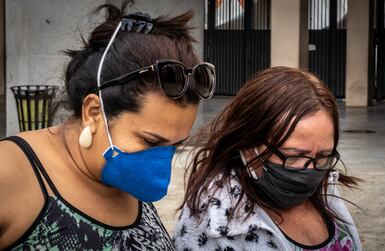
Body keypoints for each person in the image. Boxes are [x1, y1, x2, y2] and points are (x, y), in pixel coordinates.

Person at [0, 1, 215, 250]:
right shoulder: (9, 172)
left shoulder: (125, 180)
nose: (161, 163)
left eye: (176, 145)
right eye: (151, 142)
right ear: (93, 113)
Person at [173, 66, 361, 251]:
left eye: (323, 156)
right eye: (294, 156)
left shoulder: (326, 188)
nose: (309, 170)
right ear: (247, 147)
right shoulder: (211, 224)